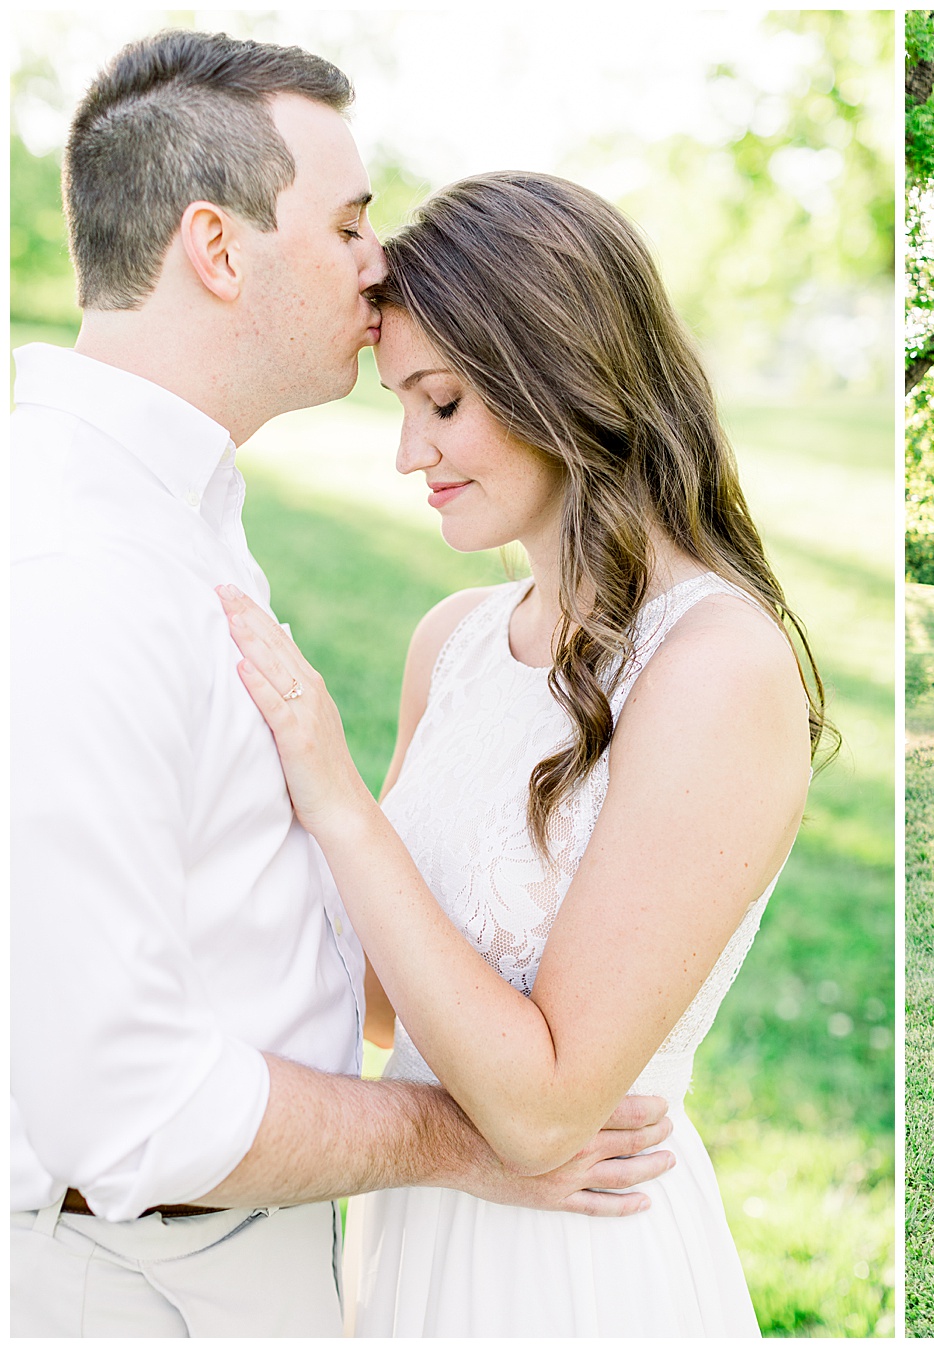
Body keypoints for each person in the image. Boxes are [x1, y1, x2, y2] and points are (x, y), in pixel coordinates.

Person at [11, 32, 671, 1337]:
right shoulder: (74, 570)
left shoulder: (170, 515)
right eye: (349, 222)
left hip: (231, 1247)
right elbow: (127, 1106)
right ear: (217, 248)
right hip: (135, 1279)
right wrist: (468, 1141)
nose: (379, 262)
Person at [218, 170, 823, 1335]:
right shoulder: (452, 642)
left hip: (571, 1262)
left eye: (442, 404)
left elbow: (544, 1114)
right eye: (401, 406)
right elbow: (386, 1004)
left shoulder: (715, 666)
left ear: (563, 379)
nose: (410, 452)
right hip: (416, 1230)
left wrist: (338, 800)